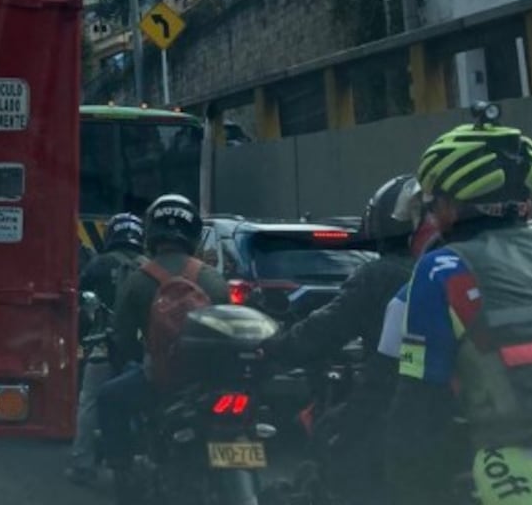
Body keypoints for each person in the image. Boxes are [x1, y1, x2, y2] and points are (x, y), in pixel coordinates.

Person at [389, 106, 532, 505]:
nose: (433, 216)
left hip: (510, 460)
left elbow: (418, 404)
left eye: (434, 204)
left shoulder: (443, 268)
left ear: (453, 206)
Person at [260, 175, 421, 505]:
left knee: (336, 445)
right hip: (464, 399)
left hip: (393, 397)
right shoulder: (470, 265)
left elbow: (324, 330)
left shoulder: (381, 275)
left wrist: (274, 348)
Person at [96, 194, 229, 496]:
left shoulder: (137, 280)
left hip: (161, 381)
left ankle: (124, 471)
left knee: (107, 398)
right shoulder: (213, 279)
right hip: (211, 385)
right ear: (193, 233)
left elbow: (123, 341)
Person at [67, 213, 146, 485]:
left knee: (89, 400)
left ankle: (83, 463)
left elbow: (78, 300)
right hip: (141, 350)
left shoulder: (99, 264)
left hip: (102, 345)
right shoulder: (150, 269)